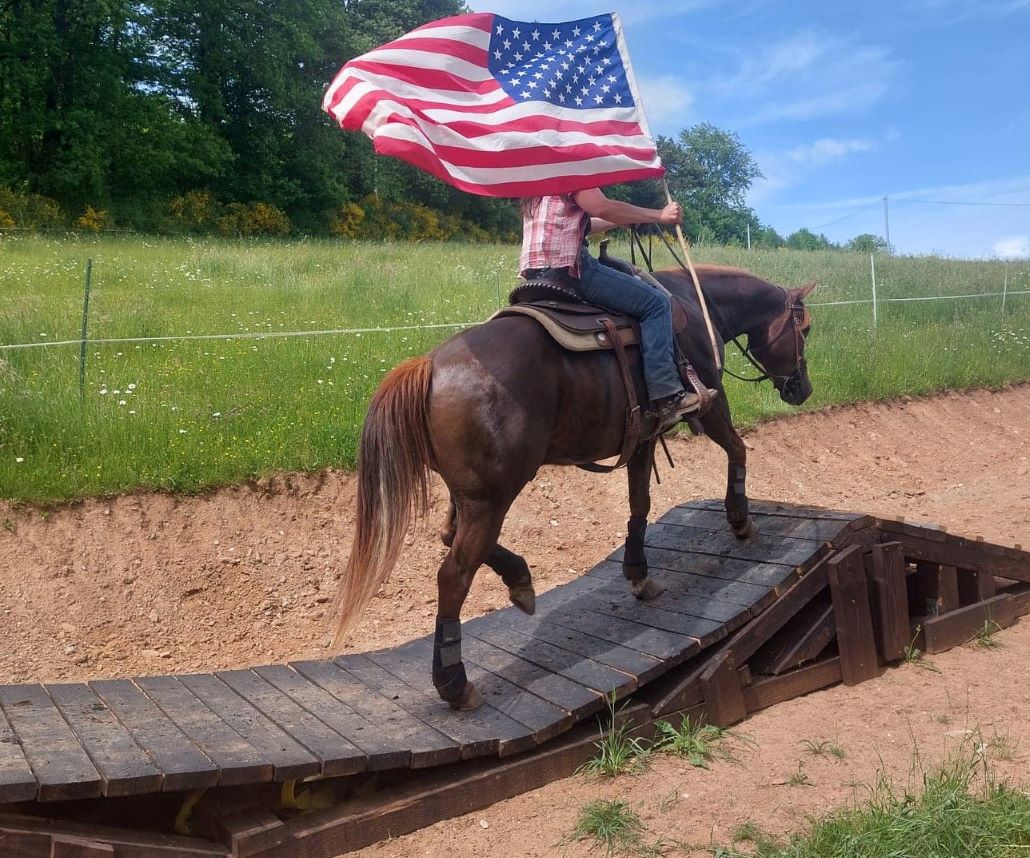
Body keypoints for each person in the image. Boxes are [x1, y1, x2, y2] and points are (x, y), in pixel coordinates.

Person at [519, 188, 712, 431]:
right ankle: (666, 395)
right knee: (656, 304)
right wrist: (659, 215)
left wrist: (625, 219)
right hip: (570, 270)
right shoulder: (575, 170)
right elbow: (603, 207)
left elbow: (584, 223)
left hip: (534, 275)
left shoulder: (539, 184)